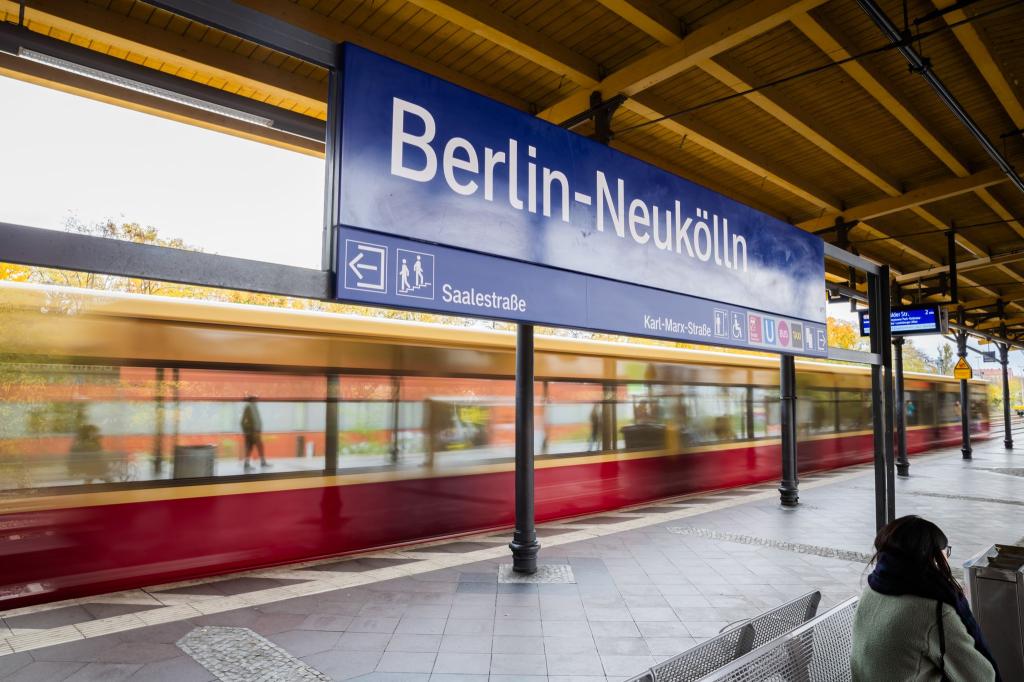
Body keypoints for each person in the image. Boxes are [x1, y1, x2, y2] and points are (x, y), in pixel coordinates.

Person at [851, 515, 1000, 682]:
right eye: (947, 552)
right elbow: (982, 677)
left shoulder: (872, 589)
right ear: (934, 556)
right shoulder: (934, 611)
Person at [241, 395, 269, 471]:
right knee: (254, 447)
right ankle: (250, 464)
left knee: (254, 447)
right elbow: (243, 421)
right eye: (255, 399)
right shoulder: (248, 407)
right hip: (252, 432)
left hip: (256, 431)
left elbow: (256, 419)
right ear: (252, 399)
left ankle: (249, 463)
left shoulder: (254, 407)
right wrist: (246, 431)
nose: (257, 400)